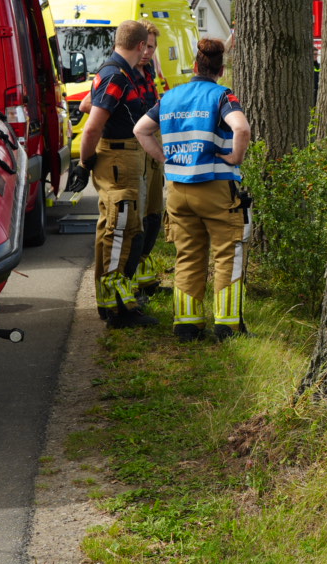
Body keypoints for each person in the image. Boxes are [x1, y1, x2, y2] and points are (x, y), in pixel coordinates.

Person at [134, 37, 251, 342]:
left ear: (195, 66)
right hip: (215, 187)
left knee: (187, 255)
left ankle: (187, 325)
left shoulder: (171, 96)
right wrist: (236, 157)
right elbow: (241, 128)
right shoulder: (222, 95)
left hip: (178, 190)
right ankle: (228, 326)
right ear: (220, 69)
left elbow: (140, 129)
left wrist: (163, 158)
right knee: (228, 253)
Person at [65, 19, 157, 327]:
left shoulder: (125, 73)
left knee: (125, 229)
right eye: (147, 46)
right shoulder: (115, 75)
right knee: (118, 230)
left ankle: (116, 303)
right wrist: (83, 163)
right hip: (118, 157)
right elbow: (92, 126)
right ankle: (115, 310)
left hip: (129, 155)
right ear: (141, 46)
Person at [124, 26, 168, 296]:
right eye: (145, 46)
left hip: (150, 149)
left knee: (154, 216)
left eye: (152, 47)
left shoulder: (148, 71)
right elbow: (87, 105)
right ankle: (131, 284)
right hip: (131, 151)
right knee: (136, 222)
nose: (147, 52)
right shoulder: (122, 73)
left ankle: (145, 280)